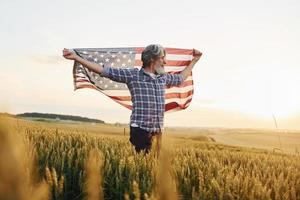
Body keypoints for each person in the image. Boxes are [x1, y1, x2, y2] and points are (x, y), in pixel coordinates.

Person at [62, 44, 202, 155]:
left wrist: (194, 60)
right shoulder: (133, 75)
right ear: (152, 59)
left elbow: (181, 78)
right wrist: (77, 58)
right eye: (162, 58)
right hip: (140, 130)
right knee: (142, 166)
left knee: (155, 167)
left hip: (158, 131)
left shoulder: (163, 77)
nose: (165, 62)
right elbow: (104, 71)